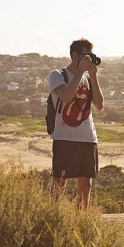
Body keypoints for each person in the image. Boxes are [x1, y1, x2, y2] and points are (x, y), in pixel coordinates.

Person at [49, 38, 104, 208]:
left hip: (87, 137)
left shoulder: (89, 78)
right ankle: (52, 216)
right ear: (74, 55)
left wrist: (93, 77)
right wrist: (79, 73)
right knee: (59, 182)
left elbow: (99, 105)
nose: (88, 59)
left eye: (90, 56)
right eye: (84, 56)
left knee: (85, 186)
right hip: (64, 136)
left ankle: (81, 220)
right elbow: (65, 97)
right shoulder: (58, 75)